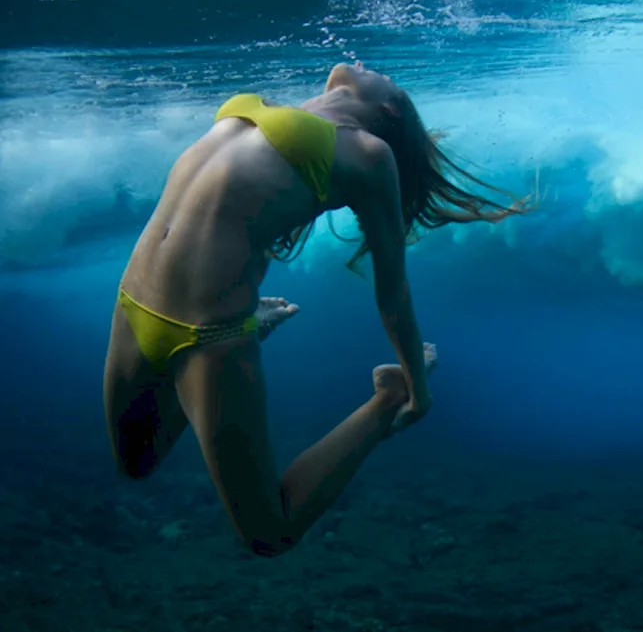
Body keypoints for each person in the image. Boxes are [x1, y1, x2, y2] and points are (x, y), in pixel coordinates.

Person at [102, 60, 533, 557]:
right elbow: (245, 207)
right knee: (135, 464)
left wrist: (418, 389)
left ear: (388, 106)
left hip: (208, 340)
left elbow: (394, 291)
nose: (373, 66)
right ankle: (257, 326)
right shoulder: (277, 111)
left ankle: (384, 399)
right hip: (132, 305)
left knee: (270, 532)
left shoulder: (369, 154)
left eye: (388, 78)